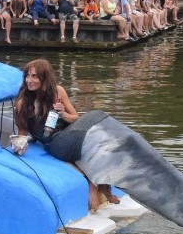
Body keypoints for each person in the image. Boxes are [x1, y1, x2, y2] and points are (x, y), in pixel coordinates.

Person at [13, 59, 119, 211]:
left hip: (69, 131)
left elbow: (76, 118)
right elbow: (22, 130)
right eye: (28, 76)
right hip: (53, 142)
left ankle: (104, 185)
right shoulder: (23, 102)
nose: (29, 80)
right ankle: (93, 185)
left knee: (101, 141)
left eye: (34, 76)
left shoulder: (58, 92)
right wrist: (19, 146)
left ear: (45, 78)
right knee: (82, 147)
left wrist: (63, 113)